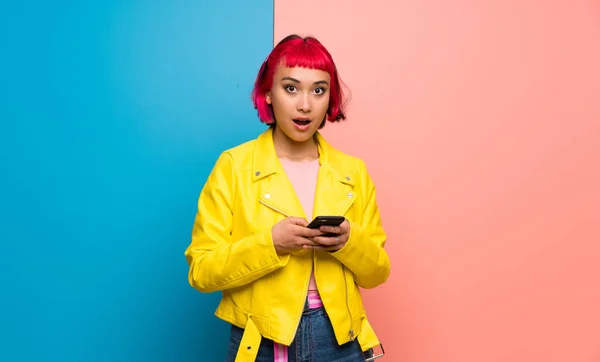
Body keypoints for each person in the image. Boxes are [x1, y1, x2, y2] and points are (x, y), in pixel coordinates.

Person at [184, 34, 390, 362]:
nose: (304, 105)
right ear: (268, 92)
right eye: (291, 88)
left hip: (340, 337)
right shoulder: (234, 167)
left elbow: (377, 272)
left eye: (318, 90)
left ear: (329, 98)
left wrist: (348, 241)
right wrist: (271, 244)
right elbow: (202, 270)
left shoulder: (354, 172)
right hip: (262, 340)